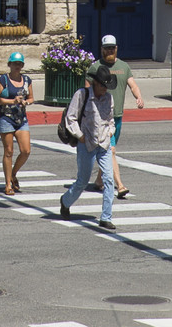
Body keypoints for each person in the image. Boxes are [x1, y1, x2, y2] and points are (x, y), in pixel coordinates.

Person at [57, 63, 118, 228]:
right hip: (87, 144)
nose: (105, 89)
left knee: (109, 179)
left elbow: (110, 120)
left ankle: (106, 217)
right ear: (95, 83)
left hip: (104, 144)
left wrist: (111, 131)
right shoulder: (82, 95)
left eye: (107, 86)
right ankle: (65, 201)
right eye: (103, 85)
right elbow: (71, 118)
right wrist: (80, 136)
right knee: (83, 181)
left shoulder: (109, 98)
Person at [95, 33, 148, 198]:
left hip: (117, 116)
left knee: (108, 151)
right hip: (101, 118)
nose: (110, 50)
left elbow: (132, 84)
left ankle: (98, 181)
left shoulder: (124, 67)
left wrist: (138, 97)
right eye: (107, 48)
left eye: (112, 47)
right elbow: (87, 91)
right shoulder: (95, 67)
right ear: (102, 50)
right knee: (111, 151)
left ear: (116, 48)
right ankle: (120, 185)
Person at [0, 51, 33, 194]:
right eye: (15, 63)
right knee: (8, 151)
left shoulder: (27, 80)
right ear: (9, 64)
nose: (17, 66)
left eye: (20, 64)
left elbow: (32, 98)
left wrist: (26, 102)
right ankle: (8, 184)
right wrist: (11, 101)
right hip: (6, 118)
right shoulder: (3, 80)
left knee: (26, 151)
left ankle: (14, 173)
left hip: (21, 119)